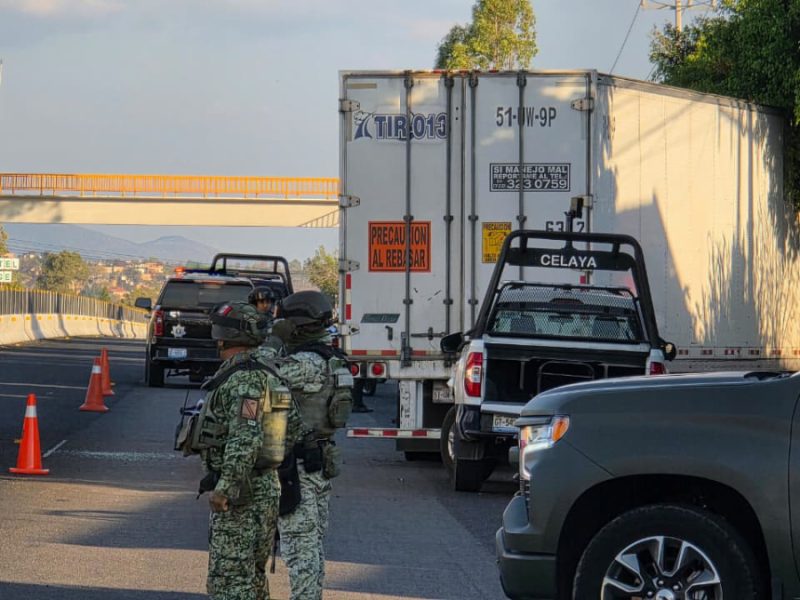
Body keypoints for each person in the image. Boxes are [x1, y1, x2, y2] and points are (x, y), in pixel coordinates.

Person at [255, 290, 353, 600]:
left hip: (298, 466)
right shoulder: (331, 358)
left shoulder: (306, 363)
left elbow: (258, 373)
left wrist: (272, 339)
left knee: (301, 551)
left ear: (296, 325)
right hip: (318, 460)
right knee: (312, 546)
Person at [200, 301, 290, 600]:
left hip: (243, 495)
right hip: (264, 489)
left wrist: (225, 488)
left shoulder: (244, 380)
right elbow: (296, 430)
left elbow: (245, 437)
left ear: (222, 337)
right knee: (252, 578)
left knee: (230, 583)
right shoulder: (267, 373)